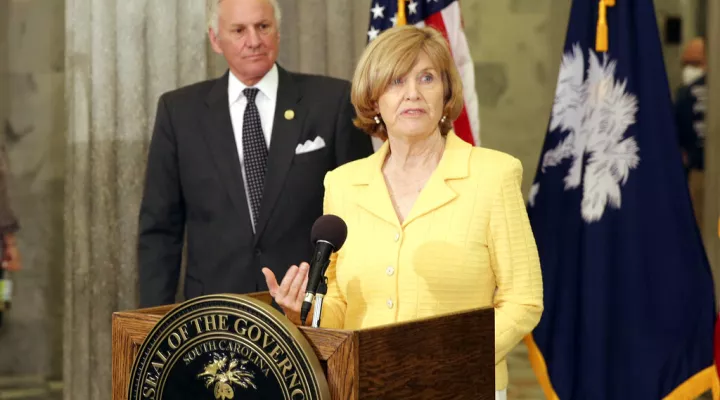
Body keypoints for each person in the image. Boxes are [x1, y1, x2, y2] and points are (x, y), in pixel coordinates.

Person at [262, 25, 543, 399]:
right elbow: (341, 303)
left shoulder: (493, 175)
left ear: (445, 93)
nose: (413, 93)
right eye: (396, 80)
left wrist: (449, 359)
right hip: (364, 387)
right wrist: (303, 312)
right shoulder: (343, 183)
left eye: (426, 77)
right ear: (374, 98)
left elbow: (522, 299)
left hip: (463, 387)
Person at [137, 0, 373, 307]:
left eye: (263, 27)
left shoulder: (332, 101)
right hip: (215, 316)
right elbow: (159, 230)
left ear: (277, 31)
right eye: (238, 30)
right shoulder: (179, 112)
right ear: (215, 39)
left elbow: (359, 215)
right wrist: (155, 325)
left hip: (310, 308)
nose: (254, 41)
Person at [674, 37, 707, 228]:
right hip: (698, 174)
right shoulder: (685, 94)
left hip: (697, 173)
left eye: (694, 63)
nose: (689, 69)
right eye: (686, 64)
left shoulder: (685, 94)